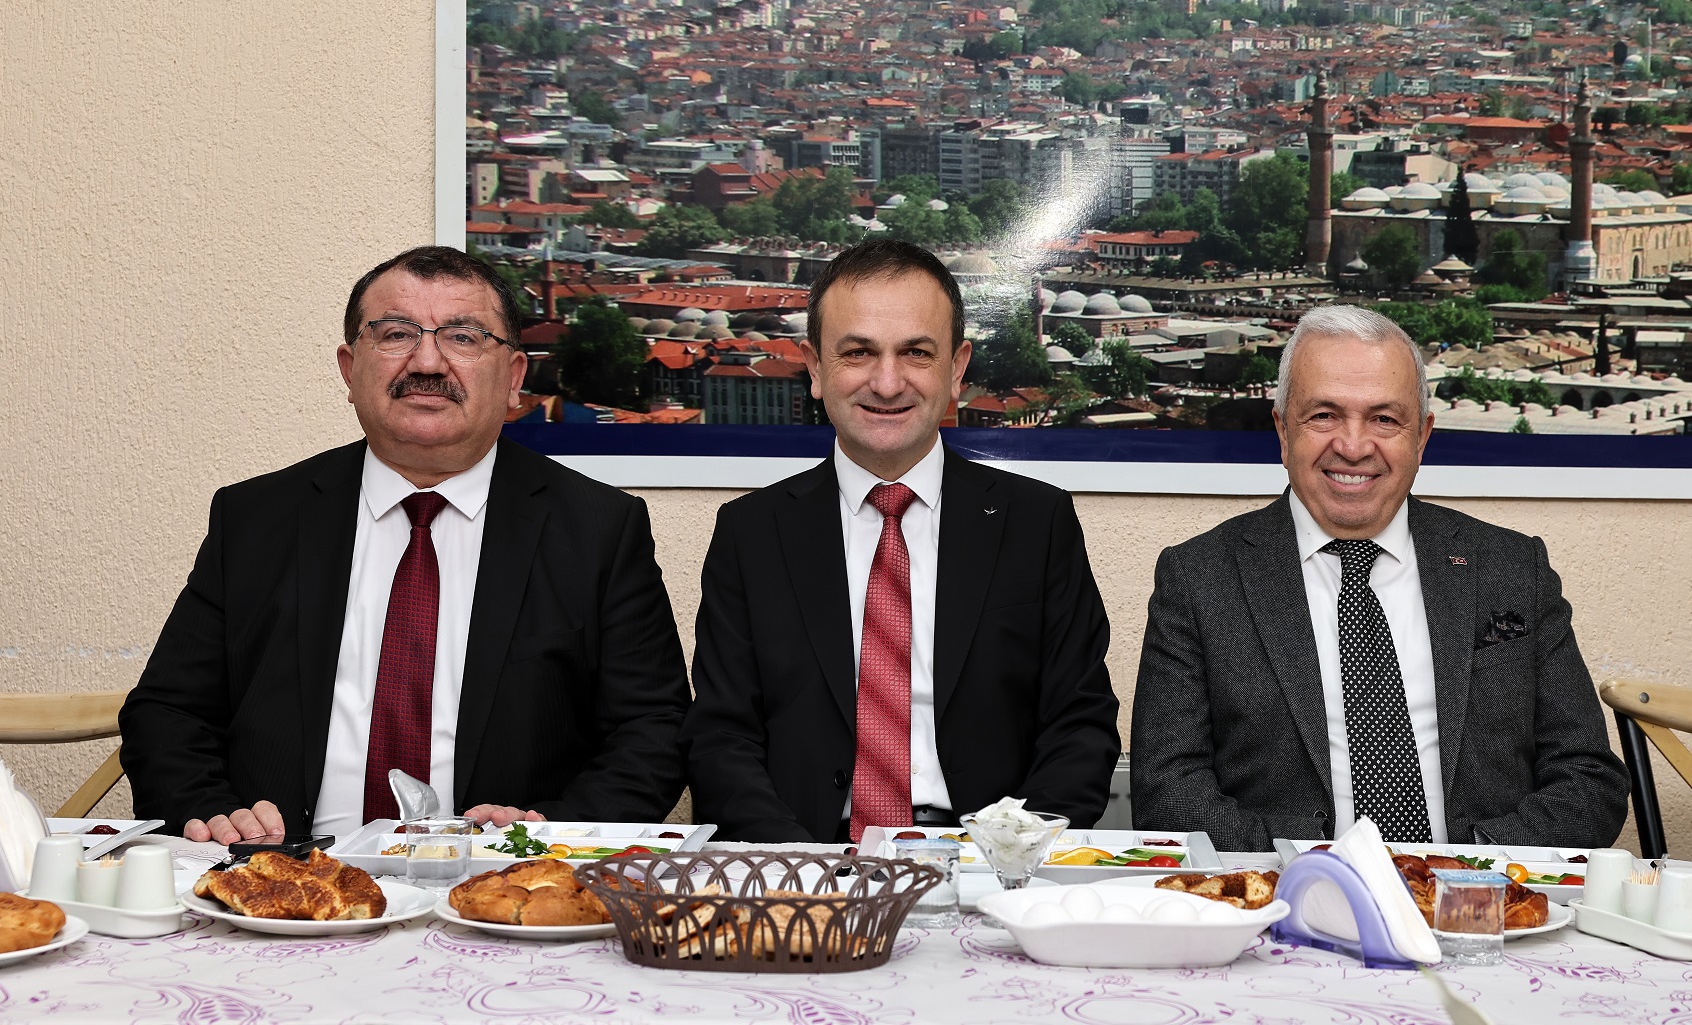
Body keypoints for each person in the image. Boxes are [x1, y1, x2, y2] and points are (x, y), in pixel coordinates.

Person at [120, 246, 690, 843]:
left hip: (502, 877)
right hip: (284, 876)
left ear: (514, 377)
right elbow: (168, 712)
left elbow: (652, 727)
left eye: (463, 338)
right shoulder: (256, 517)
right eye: (395, 334)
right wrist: (212, 811)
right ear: (349, 369)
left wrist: (547, 834)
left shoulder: (599, 529)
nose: (427, 362)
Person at [1130, 304, 1627, 851]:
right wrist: (1313, 871)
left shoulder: (1511, 568)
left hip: (1477, 888)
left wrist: (1460, 870)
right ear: (1282, 430)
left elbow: (1588, 781)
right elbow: (1167, 794)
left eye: (1385, 419)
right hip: (1288, 893)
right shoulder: (1199, 577)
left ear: (1422, 437)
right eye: (1324, 415)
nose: (1353, 446)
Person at [683, 239, 1121, 843]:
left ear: (956, 369)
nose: (887, 383)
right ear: (815, 368)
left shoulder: (1036, 522)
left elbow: (1080, 724)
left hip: (989, 859)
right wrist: (803, 865)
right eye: (858, 352)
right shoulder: (750, 532)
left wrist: (1010, 855)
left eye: (916, 352)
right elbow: (721, 737)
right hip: (804, 859)